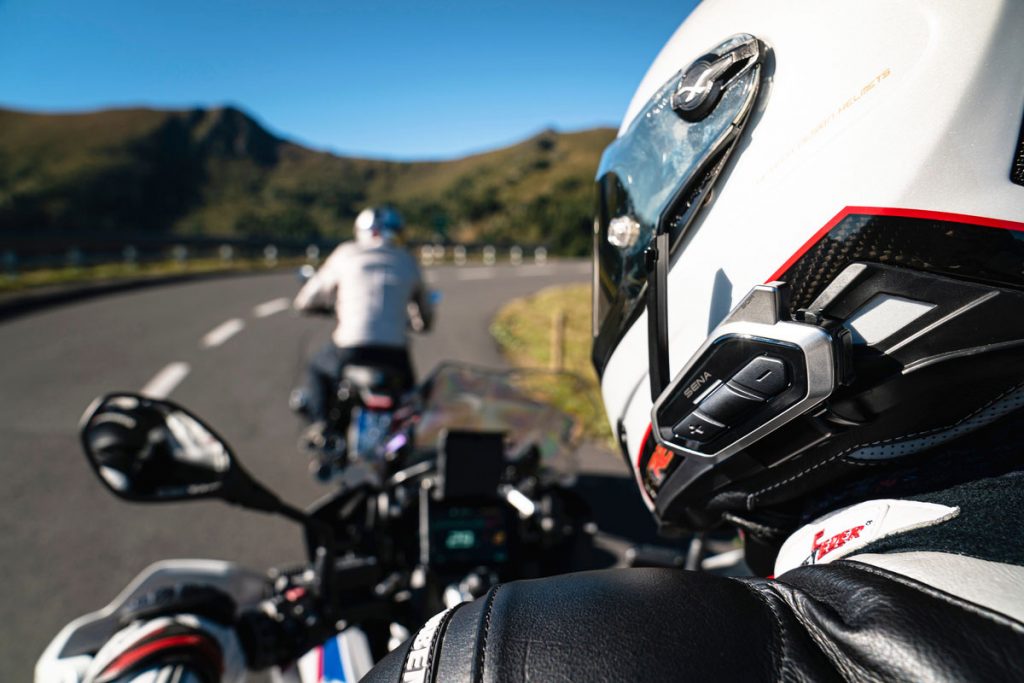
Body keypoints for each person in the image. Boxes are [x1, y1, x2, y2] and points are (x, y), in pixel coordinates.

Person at [59, 1, 1024, 680]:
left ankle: (323, 430)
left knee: (320, 373)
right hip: (396, 361)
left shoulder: (537, 655)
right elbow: (426, 309)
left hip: (360, 365)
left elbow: (318, 301)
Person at [293, 206, 432, 447]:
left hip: (349, 349)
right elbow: (426, 314)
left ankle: (321, 427)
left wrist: (327, 307)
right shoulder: (407, 260)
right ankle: (407, 445)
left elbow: (305, 301)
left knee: (316, 367)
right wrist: (419, 322)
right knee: (412, 402)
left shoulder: (346, 253)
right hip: (395, 354)